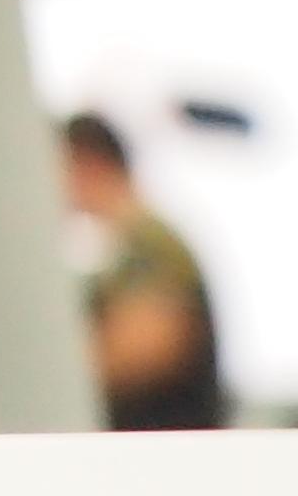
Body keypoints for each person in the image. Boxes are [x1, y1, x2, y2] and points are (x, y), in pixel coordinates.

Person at [60, 113, 228, 431]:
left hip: (170, 441)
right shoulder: (129, 247)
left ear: (87, 163)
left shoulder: (150, 245)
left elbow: (143, 346)